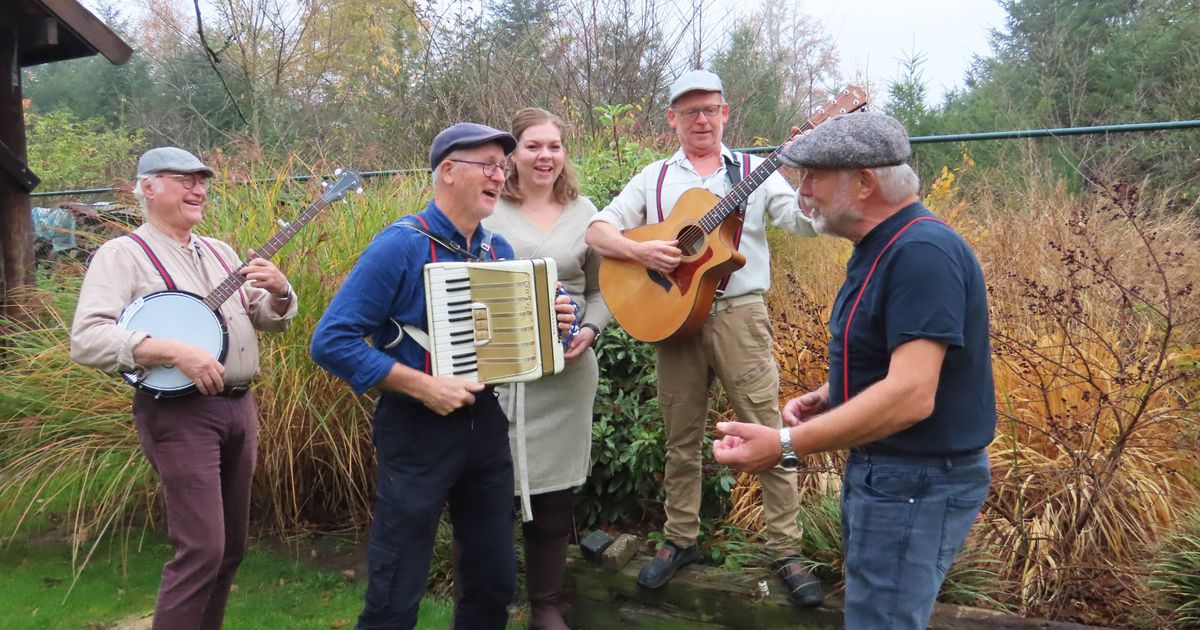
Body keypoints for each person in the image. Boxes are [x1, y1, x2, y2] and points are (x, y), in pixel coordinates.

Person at [712, 111, 996, 629]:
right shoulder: (884, 245)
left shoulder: (922, 253)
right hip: (893, 473)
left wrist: (783, 445)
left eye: (814, 175)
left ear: (864, 182)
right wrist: (835, 390)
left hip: (916, 480)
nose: (804, 190)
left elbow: (912, 394)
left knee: (880, 620)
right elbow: (901, 356)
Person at [309, 122, 576, 630]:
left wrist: (554, 325)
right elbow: (332, 341)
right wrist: (422, 385)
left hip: (486, 427)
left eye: (503, 167)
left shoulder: (497, 252)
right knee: (397, 583)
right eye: (488, 166)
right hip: (415, 429)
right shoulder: (399, 246)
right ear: (448, 171)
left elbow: (515, 351)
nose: (500, 176)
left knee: (493, 577)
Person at [584, 69, 823, 606]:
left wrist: (814, 173)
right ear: (672, 118)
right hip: (673, 319)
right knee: (680, 438)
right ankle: (680, 539)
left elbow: (803, 221)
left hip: (740, 316)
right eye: (689, 110)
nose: (700, 119)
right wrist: (643, 252)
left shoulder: (752, 172)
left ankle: (786, 551)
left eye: (709, 109)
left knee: (770, 432)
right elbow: (598, 229)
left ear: (725, 113)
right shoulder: (656, 178)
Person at [70, 147, 298, 630]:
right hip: (179, 415)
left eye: (202, 181)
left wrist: (280, 290)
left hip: (240, 408)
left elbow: (265, 317)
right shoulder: (123, 255)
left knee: (230, 548)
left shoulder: (221, 251)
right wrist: (171, 350)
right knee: (202, 549)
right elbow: (87, 339)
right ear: (148, 187)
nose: (198, 190)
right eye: (184, 180)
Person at [479, 107, 611, 629]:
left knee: (553, 495)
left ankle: (547, 605)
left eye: (554, 146)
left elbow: (605, 289)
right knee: (488, 494)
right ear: (513, 153)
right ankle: (482, 604)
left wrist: (591, 329)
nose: (545, 156)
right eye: (533, 145)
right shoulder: (488, 209)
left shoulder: (586, 213)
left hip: (565, 376)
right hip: (498, 376)